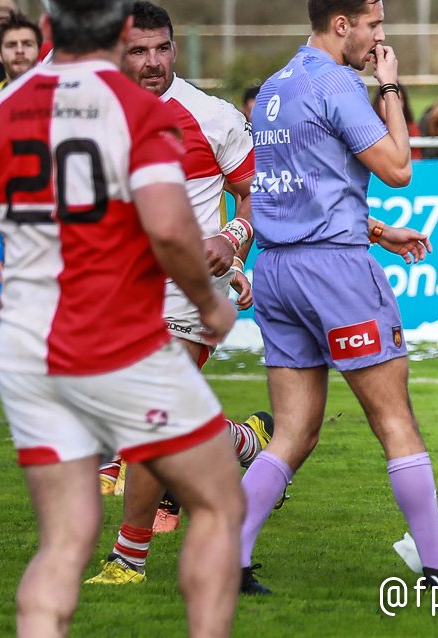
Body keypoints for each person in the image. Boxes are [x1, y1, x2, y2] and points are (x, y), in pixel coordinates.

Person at [0, 0, 244, 635]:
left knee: (62, 543)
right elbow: (171, 231)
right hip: (123, 339)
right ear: (119, 34)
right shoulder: (138, 112)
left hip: (31, 350)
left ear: (50, 32)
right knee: (220, 503)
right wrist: (209, 304)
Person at [242, 0, 438, 594]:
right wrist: (390, 86)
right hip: (335, 272)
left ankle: (231, 560)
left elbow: (301, 185)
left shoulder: (277, 86)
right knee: (395, 421)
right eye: (373, 26)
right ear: (341, 24)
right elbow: (400, 167)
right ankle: (436, 572)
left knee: (292, 433)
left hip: (277, 270)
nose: (380, 38)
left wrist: (377, 230)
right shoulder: (339, 84)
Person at [84, 1, 273, 584]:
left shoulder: (211, 116)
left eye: (162, 48)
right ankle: (243, 440)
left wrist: (233, 240)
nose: (152, 62)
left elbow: (257, 197)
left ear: (175, 47)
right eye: (138, 50)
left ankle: (128, 558)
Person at [0, 11, 41, 106]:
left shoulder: (57, 96)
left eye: (27, 44)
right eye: (11, 45)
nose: (20, 50)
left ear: (39, 51)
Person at [373, 82, 422, 159]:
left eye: (397, 99)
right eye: (385, 98)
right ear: (378, 102)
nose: (391, 104)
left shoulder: (413, 129)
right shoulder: (369, 130)